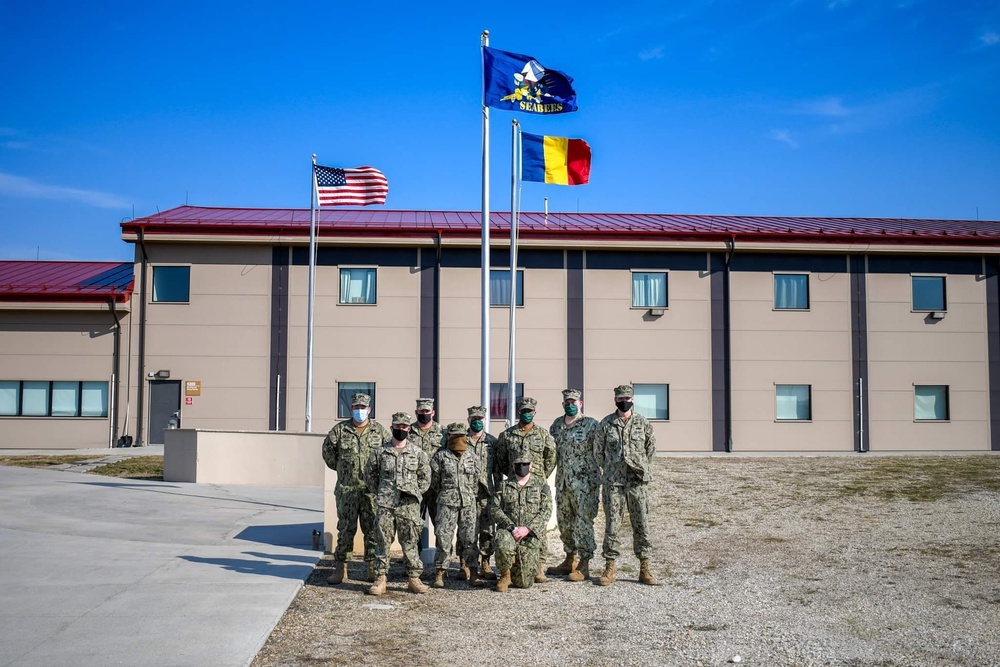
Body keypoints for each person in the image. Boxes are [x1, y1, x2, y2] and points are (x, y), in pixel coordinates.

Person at [592, 384, 660, 586]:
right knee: (612, 525)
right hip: (614, 482)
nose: (624, 401)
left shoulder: (643, 423)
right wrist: (611, 469)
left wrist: (642, 468)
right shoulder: (606, 424)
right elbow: (598, 452)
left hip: (637, 482)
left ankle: (645, 567)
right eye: (621, 398)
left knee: (642, 524)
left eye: (628, 398)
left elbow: (651, 449)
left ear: (633, 400)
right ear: (615, 400)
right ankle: (610, 567)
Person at [321, 392, 390, 585]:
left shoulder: (380, 432)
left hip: (371, 492)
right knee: (345, 529)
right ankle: (340, 569)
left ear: (369, 409)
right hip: (347, 490)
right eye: (356, 407)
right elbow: (328, 453)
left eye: (363, 407)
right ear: (351, 409)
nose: (360, 411)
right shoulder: (339, 430)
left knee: (373, 531)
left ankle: (372, 569)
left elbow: (388, 455)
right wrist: (344, 470)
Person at [364, 411, 432, 595]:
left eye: (404, 426)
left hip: (409, 505)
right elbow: (370, 476)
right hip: (386, 504)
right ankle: (380, 579)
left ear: (409, 429)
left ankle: (414, 578)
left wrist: (414, 492)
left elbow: (425, 478)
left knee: (410, 542)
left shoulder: (418, 453)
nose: (400, 429)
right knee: (382, 541)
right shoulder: (379, 452)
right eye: (397, 426)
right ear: (391, 427)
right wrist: (382, 492)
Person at [494, 396, 556, 583]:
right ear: (518, 412)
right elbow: (501, 459)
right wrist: (513, 475)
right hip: (514, 483)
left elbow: (551, 458)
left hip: (536, 483)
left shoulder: (543, 435)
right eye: (523, 411)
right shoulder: (507, 435)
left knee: (538, 527)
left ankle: (539, 567)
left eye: (530, 411)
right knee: (511, 522)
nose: (527, 414)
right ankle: (509, 564)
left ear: (534, 413)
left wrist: (539, 475)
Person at [547, 388, 601, 582]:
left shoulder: (591, 425)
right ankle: (570, 558)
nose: (570, 405)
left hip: (585, 485)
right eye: (567, 402)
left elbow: (600, 451)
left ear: (581, 404)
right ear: (563, 404)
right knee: (565, 521)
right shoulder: (557, 426)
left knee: (584, 522)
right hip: (563, 483)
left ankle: (584, 563)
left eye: (574, 402)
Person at [430, 422, 486, 588]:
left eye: (461, 436)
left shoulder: (473, 457)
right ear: (448, 437)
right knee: (443, 537)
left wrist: (469, 494)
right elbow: (435, 482)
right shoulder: (440, 457)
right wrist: (447, 493)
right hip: (447, 502)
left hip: (468, 503)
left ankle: (473, 572)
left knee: (469, 538)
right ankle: (440, 573)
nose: (458, 439)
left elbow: (476, 480)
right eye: (454, 436)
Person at [489, 455, 552, 591]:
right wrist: (511, 527)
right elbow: (494, 508)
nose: (521, 467)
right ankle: (505, 574)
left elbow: (546, 511)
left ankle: (518, 568)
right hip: (509, 532)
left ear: (531, 465)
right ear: (513, 466)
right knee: (502, 541)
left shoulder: (541, 486)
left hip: (530, 535)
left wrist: (527, 529)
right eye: (518, 464)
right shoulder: (503, 486)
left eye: (525, 464)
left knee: (524, 583)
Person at [466, 405, 499, 580]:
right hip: (466, 492)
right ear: (468, 420)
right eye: (474, 419)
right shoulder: (460, 441)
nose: (477, 422)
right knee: (466, 530)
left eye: (480, 419)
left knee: (487, 529)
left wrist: (499, 492)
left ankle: (485, 562)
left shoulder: (492, 442)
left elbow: (497, 470)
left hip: (486, 492)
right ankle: (466, 564)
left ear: (485, 420)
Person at [408, 397, 445, 527]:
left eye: (427, 411)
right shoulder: (408, 432)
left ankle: (441, 548)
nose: (424, 413)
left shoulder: (443, 433)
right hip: (415, 485)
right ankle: (414, 548)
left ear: (433, 412)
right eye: (421, 411)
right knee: (414, 523)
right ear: (416, 412)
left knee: (440, 523)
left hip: (437, 486)